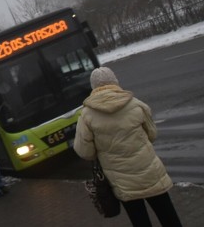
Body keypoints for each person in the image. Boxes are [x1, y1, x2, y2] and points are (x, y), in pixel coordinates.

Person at [74, 67, 183, 227]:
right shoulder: (136, 104)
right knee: (169, 217)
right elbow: (152, 134)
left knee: (140, 221)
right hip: (150, 173)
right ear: (115, 82)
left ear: (93, 87)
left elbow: (85, 151)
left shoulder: (87, 115)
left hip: (122, 182)